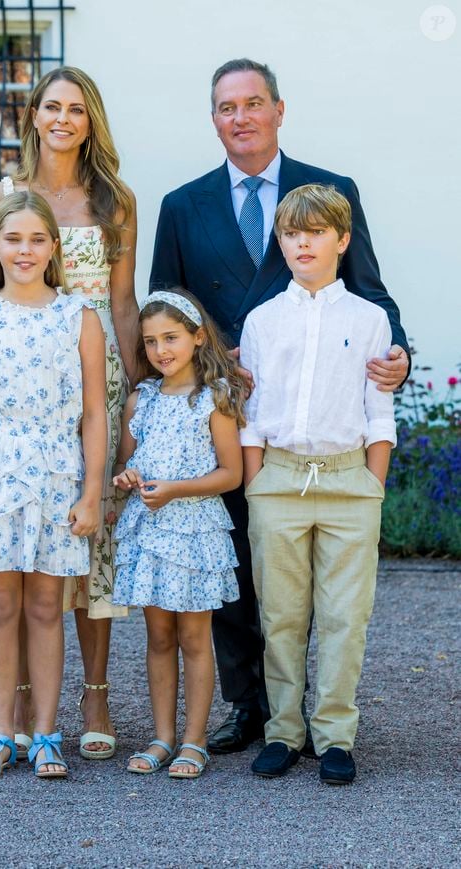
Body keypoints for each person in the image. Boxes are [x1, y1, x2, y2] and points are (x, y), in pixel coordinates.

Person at [150, 58, 409, 755]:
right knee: (232, 561)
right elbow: (165, 306)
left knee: (316, 593)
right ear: (214, 119)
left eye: (253, 103)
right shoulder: (183, 203)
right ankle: (252, 706)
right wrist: (203, 367)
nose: (241, 117)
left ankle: (319, 723)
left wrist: (400, 355)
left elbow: (371, 295)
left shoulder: (327, 195)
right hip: (220, 413)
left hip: (311, 416)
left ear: (278, 110)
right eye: (227, 107)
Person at [0, 66, 138, 760]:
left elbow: (121, 304)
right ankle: (18, 713)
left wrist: (132, 408)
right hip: (18, 382)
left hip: (94, 377)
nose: (64, 118)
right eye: (52, 106)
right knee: (18, 569)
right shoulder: (2, 195)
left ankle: (92, 695)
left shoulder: (113, 199)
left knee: (86, 552)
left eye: (78, 109)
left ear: (92, 121)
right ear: (34, 114)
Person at [0, 191, 107, 778]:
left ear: (54, 248)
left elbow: (95, 415)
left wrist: (91, 494)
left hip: (58, 472)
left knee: (46, 606)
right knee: (0, 603)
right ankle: (1, 731)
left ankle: (48, 734)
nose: (25, 250)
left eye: (37, 239)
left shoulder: (79, 317)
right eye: (14, 239)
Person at [241, 183, 396, 784]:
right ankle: (284, 728)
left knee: (344, 615)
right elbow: (249, 416)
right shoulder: (262, 319)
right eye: (290, 233)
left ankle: (334, 734)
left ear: (342, 239)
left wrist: (372, 488)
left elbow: (379, 412)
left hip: (348, 482)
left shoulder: (369, 318)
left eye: (315, 232)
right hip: (278, 480)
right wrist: (257, 486)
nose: (302, 242)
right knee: (281, 614)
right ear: (280, 242)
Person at [111, 290, 245, 778]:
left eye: (171, 337)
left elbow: (231, 473)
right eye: (150, 342)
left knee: (194, 637)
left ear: (197, 336)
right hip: (149, 531)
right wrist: (125, 476)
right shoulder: (140, 400)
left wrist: (178, 490)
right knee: (159, 636)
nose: (161, 350)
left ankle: (195, 739)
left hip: (196, 532)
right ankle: (162, 736)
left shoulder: (215, 398)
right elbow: (127, 461)